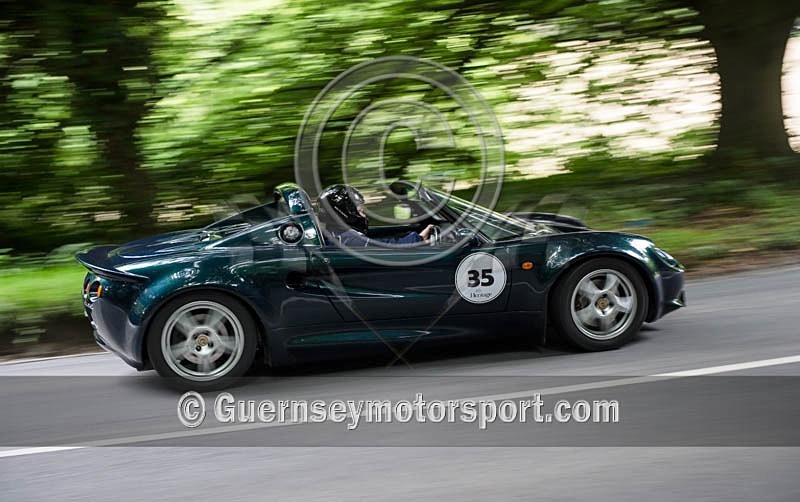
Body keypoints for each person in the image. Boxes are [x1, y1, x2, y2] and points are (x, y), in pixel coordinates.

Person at [317, 184, 434, 247]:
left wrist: (411, 232)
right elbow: (383, 248)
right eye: (360, 210)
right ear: (345, 213)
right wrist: (417, 239)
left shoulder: (337, 233)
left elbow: (375, 238)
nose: (364, 215)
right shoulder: (348, 240)